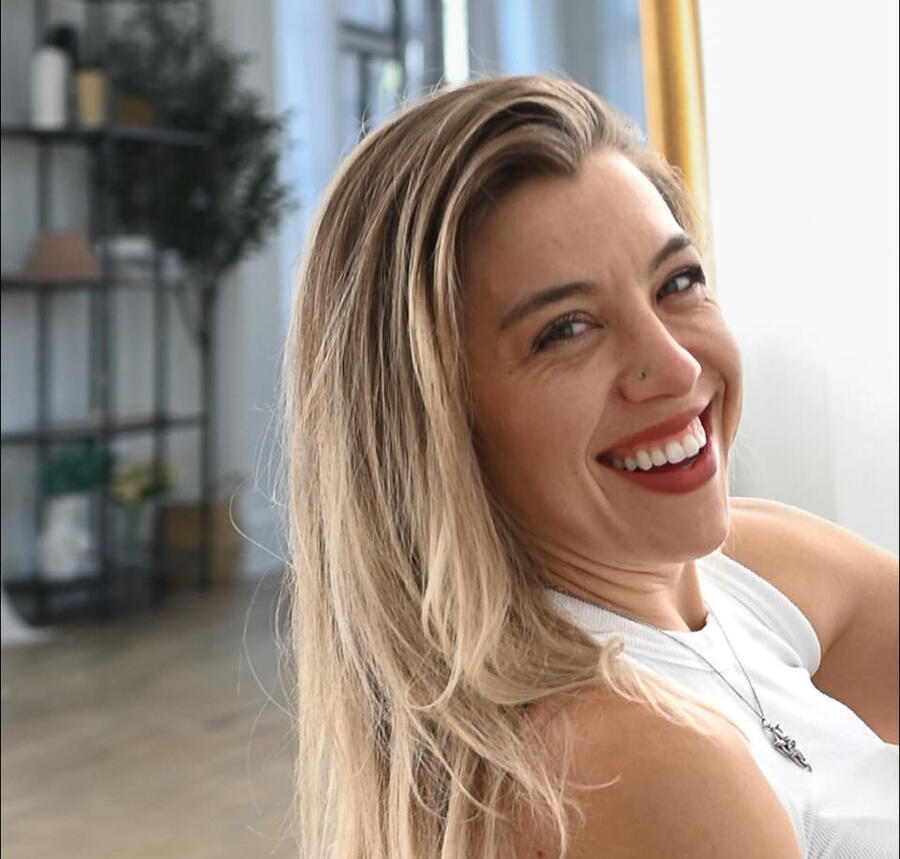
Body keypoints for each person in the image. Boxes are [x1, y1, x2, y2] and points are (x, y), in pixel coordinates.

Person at [279, 75, 899, 859]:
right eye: (567, 329)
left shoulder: (740, 575)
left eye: (678, 283)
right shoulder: (636, 762)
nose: (675, 366)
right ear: (437, 423)